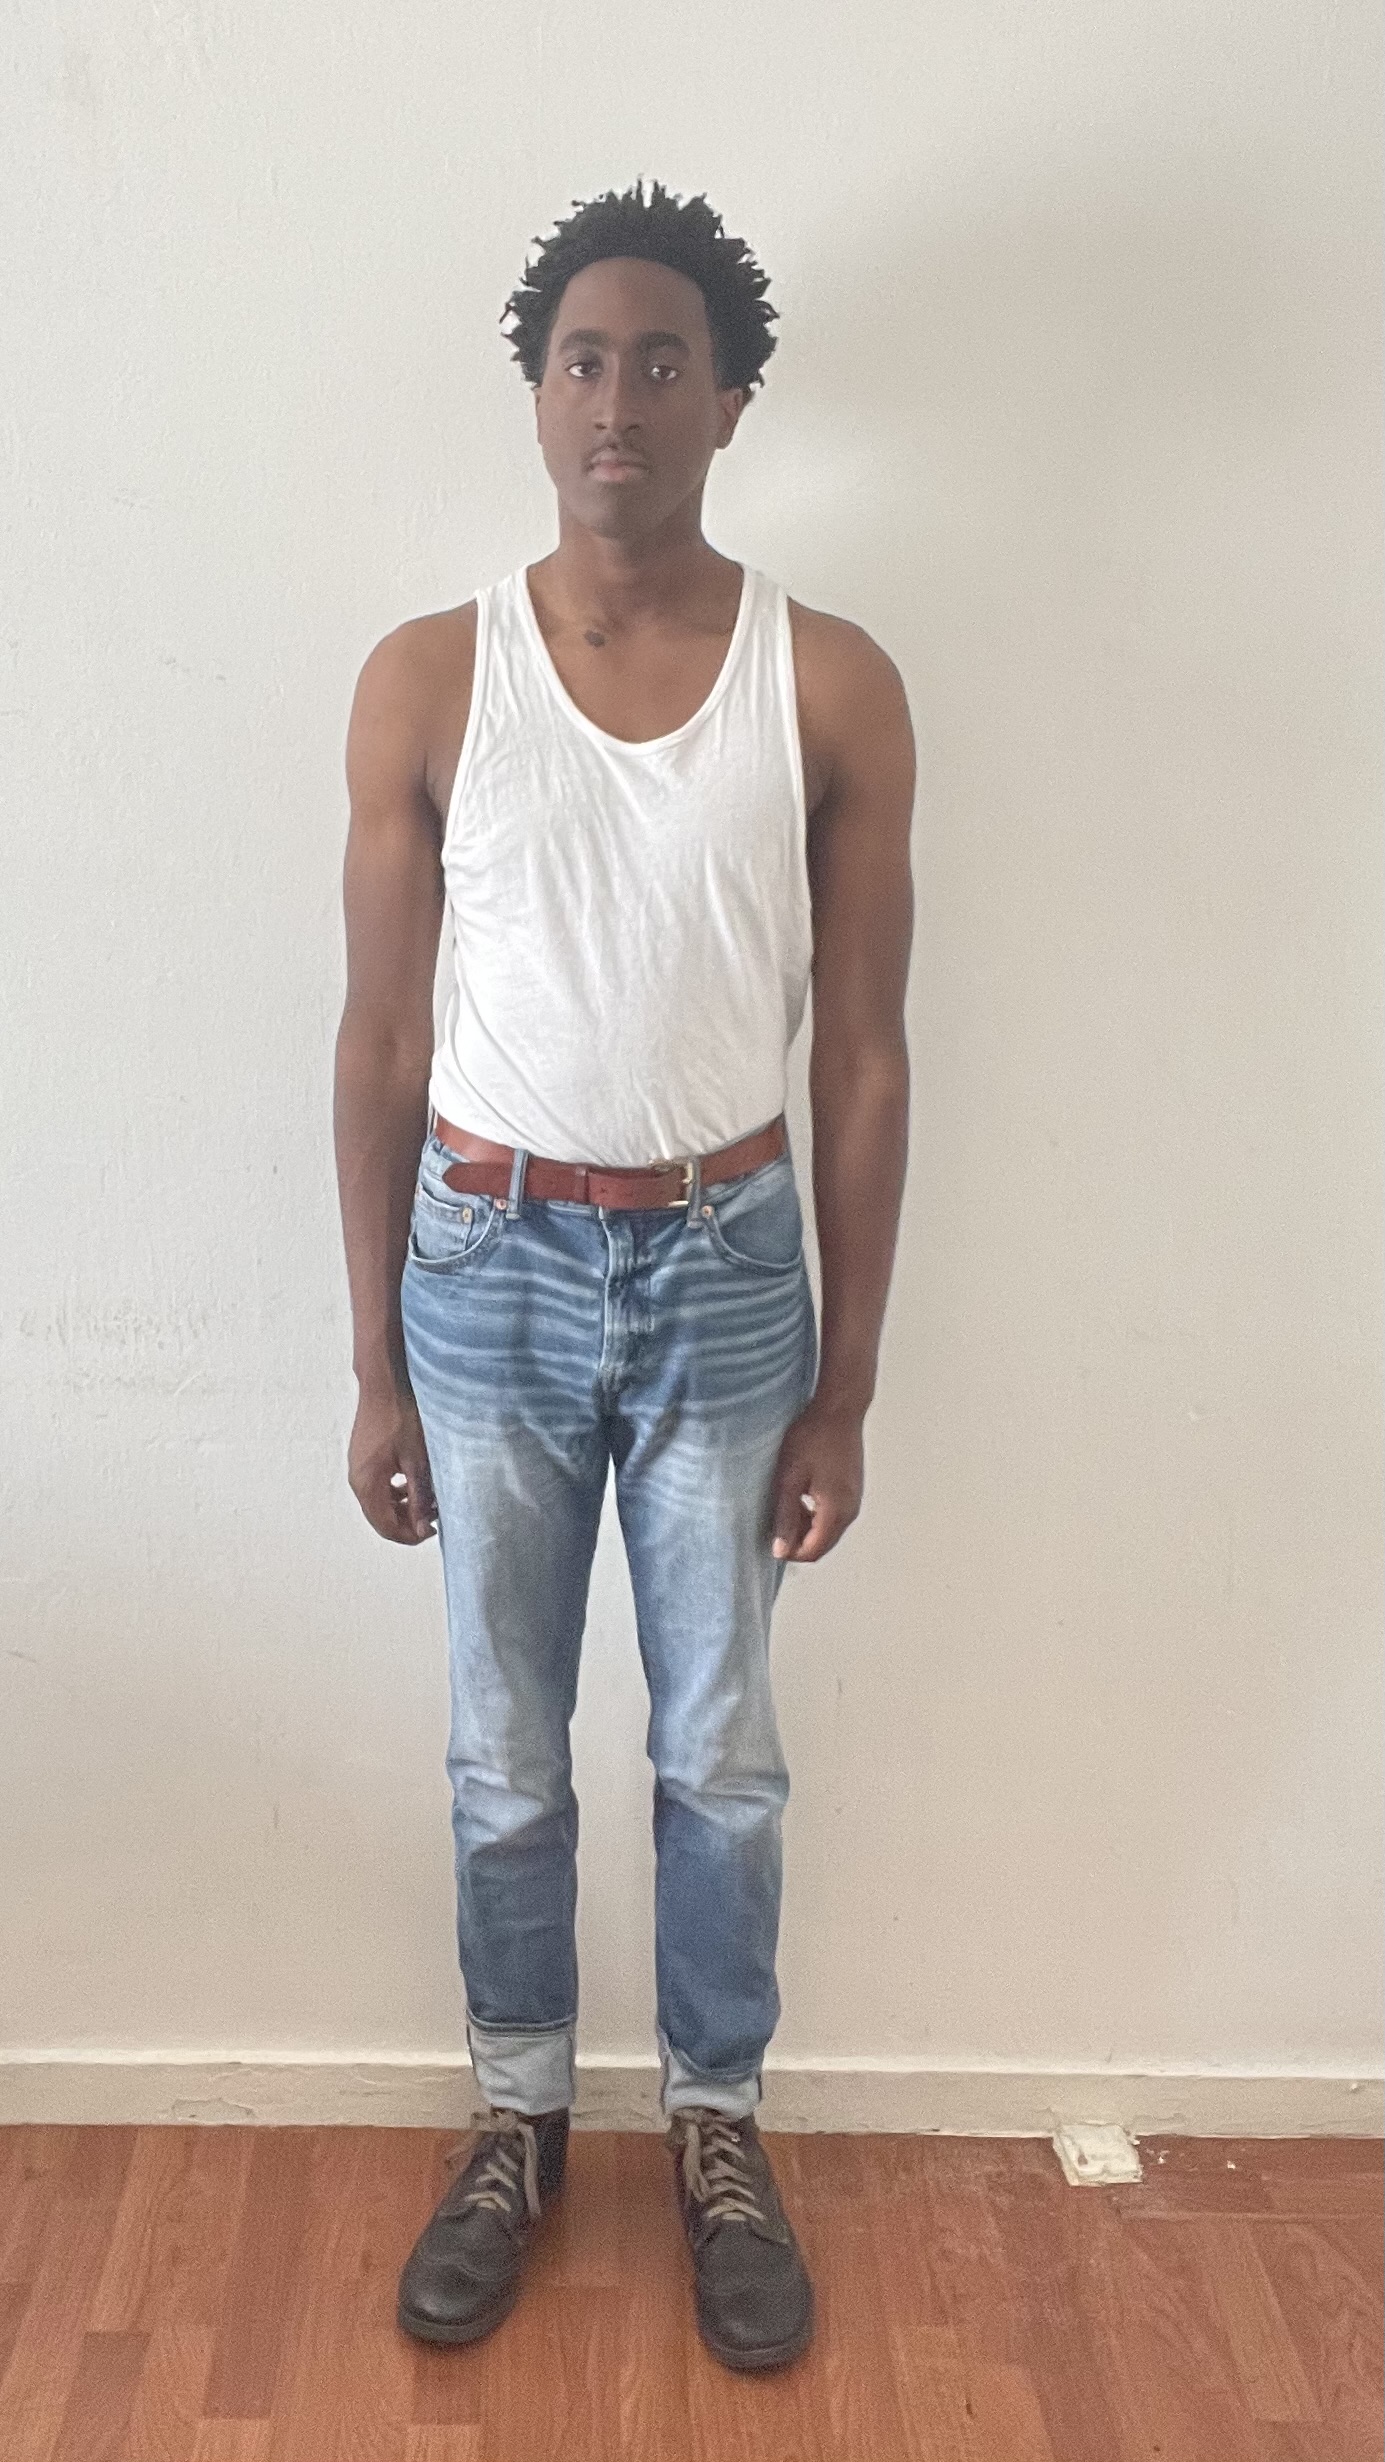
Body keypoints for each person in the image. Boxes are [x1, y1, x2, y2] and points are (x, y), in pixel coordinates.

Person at [333, 178, 914, 2375]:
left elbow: (863, 1054)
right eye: (583, 358)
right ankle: (515, 2116)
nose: (617, 399)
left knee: (722, 1751)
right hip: (483, 1264)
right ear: (535, 390)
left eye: (663, 361)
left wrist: (849, 1381)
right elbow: (379, 1041)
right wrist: (372, 1356)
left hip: (728, 1269)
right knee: (502, 1747)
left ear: (728, 400)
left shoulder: (826, 680)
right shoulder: (429, 675)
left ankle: (718, 2126)